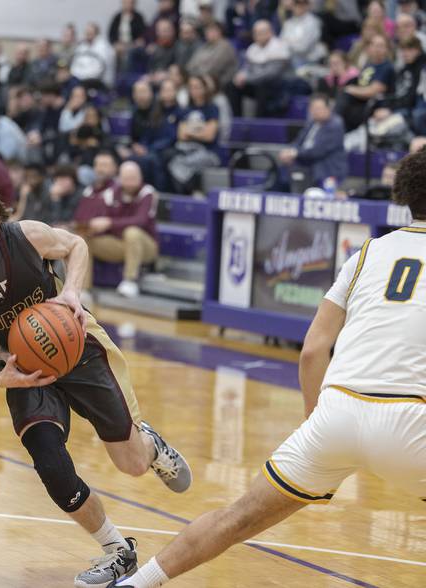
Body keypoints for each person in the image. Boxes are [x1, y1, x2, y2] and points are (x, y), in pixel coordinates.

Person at [109, 148, 426, 588]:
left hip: (336, 411)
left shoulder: (367, 254)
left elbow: (313, 350)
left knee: (236, 517)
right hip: (412, 420)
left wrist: (316, 420)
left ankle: (135, 584)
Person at [0, 174, 192, 587]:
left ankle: (149, 444)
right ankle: (118, 551)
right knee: (50, 463)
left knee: (131, 463)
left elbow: (76, 245)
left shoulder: (25, 237)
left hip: (78, 347)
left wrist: (73, 294)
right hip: (23, 370)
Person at [75, 161, 161, 298]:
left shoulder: (148, 193)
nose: (131, 182)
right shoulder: (111, 193)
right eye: (127, 178)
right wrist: (95, 227)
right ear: (119, 178)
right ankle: (83, 289)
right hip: (120, 245)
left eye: (134, 178)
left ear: (141, 177)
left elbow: (140, 221)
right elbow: (100, 219)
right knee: (84, 240)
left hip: (146, 246)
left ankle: (130, 280)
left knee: (132, 232)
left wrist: (109, 223)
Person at [278, 94, 348, 188]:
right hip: (307, 164)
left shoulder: (335, 125)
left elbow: (317, 151)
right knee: (281, 171)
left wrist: (294, 153)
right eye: (313, 108)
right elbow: (298, 142)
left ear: (328, 108)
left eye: (319, 108)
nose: (315, 112)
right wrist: (290, 151)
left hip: (327, 170)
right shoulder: (312, 123)